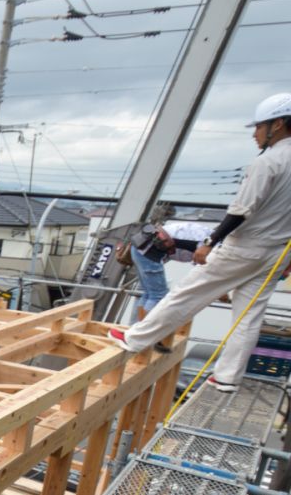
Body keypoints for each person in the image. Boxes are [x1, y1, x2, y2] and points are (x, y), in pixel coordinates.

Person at [109, 92, 291, 392]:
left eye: (259, 127)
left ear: (279, 124)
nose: (255, 134)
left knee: (185, 294)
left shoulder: (268, 162)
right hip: (276, 253)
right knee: (249, 313)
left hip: (246, 245)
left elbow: (241, 210)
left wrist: (211, 241)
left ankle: (136, 339)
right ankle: (228, 378)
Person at [128, 220, 213, 321]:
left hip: (140, 246)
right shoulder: (210, 244)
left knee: (148, 293)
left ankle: (133, 327)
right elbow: (203, 270)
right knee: (158, 296)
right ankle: (139, 332)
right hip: (149, 250)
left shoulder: (206, 234)